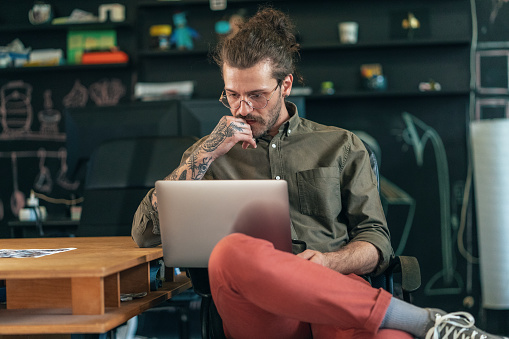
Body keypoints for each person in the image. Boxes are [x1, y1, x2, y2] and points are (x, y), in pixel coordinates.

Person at [132, 7, 507, 339]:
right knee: (229, 253)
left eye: (257, 95)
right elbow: (145, 233)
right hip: (261, 311)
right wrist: (207, 150)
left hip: (337, 295)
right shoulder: (210, 154)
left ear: (286, 84)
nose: (242, 108)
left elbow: (377, 244)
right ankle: (422, 320)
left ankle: (425, 325)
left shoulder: (341, 146)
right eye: (232, 94)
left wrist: (329, 262)